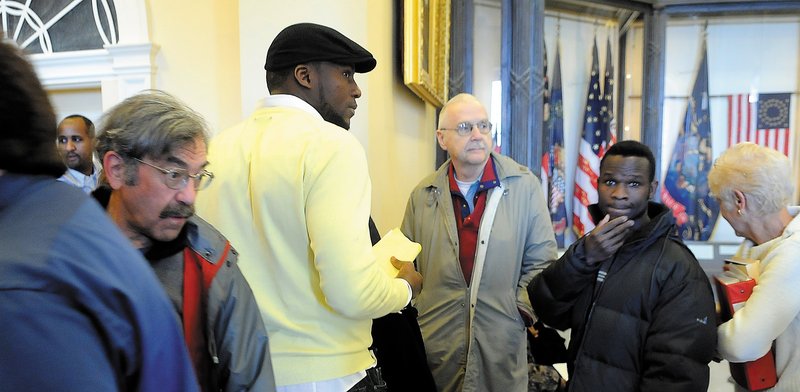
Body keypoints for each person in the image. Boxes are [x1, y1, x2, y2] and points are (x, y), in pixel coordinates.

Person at [195, 22, 422, 391]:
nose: (356, 90)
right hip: (325, 374)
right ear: (304, 76)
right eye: (346, 74)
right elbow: (350, 289)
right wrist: (405, 289)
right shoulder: (331, 145)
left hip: (240, 369)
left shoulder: (216, 149)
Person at [0, 37, 198, 391]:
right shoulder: (70, 221)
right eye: (175, 174)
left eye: (190, 175)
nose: (188, 194)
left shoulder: (21, 279)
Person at [93, 90, 275, 392]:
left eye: (197, 176)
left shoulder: (212, 263)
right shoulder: (59, 258)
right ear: (117, 169)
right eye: (174, 174)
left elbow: (251, 382)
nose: (189, 196)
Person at [528, 140, 717, 391]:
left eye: (634, 184)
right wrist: (583, 258)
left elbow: (676, 375)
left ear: (651, 189)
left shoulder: (677, 267)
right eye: (610, 182)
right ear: (597, 184)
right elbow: (549, 311)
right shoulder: (594, 245)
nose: (619, 193)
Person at [400, 93, 558, 391]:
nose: (477, 135)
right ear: (441, 138)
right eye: (464, 127)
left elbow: (542, 260)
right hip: (438, 345)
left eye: (483, 126)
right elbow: (407, 263)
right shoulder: (422, 195)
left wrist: (520, 311)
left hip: (501, 342)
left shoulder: (524, 187)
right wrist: (420, 311)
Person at [709, 142, 800, 391]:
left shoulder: (794, 252)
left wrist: (693, 335)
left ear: (739, 201)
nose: (721, 211)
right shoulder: (754, 244)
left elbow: (743, 344)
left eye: (719, 201)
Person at [56, 114, 102, 193]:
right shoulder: (56, 187)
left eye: (76, 139)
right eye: (63, 140)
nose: (69, 148)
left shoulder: (106, 176)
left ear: (94, 142)